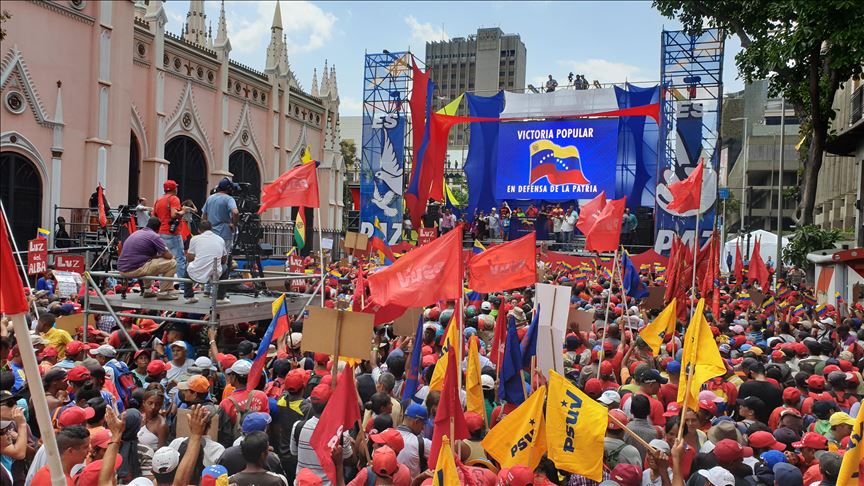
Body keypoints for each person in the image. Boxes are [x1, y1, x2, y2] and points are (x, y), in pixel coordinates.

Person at [117, 217, 177, 300]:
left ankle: (148, 290)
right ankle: (164, 292)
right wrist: (172, 256)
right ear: (158, 229)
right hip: (135, 270)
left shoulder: (136, 233)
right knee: (172, 262)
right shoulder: (154, 236)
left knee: (148, 262)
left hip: (122, 269)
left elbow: (145, 255)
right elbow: (168, 256)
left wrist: (159, 256)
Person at [153, 179, 193, 300]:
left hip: (161, 232)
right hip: (173, 233)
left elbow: (153, 216)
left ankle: (163, 286)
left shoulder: (158, 200)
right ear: (174, 189)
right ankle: (181, 285)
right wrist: (183, 211)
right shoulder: (174, 199)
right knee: (180, 258)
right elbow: (174, 215)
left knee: (163, 260)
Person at [185, 220, 228, 304]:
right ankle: (221, 297)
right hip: (215, 272)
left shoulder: (194, 239)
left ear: (198, 230)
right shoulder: (220, 239)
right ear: (211, 229)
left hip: (197, 270)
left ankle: (189, 296)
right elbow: (224, 259)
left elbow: (189, 258)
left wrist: (199, 259)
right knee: (225, 267)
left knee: (186, 267)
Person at [202, 178, 239, 248]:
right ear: (229, 189)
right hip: (224, 233)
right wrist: (234, 224)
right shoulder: (229, 199)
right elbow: (235, 212)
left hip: (211, 233)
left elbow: (204, 216)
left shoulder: (210, 198)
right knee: (223, 256)